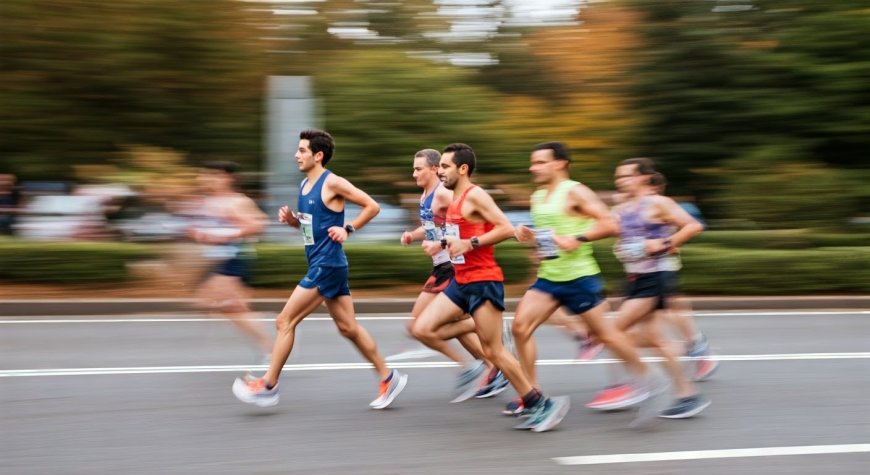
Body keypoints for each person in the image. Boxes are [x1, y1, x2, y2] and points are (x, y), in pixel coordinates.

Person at [232, 129, 407, 409]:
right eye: (298, 150)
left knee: (284, 321)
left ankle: (268, 385)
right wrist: (293, 221)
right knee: (348, 328)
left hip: (327, 264)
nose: (296, 155)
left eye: (302, 150)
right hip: (324, 263)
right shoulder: (304, 186)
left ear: (318, 155)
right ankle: (389, 376)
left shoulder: (333, 182)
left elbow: (371, 206)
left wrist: (348, 228)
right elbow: (311, 226)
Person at [411, 143, 569, 432]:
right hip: (461, 281)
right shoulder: (455, 200)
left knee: (494, 351)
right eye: (439, 166)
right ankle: (479, 328)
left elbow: (505, 227)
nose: (440, 171)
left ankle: (540, 403)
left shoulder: (475, 195)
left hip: (483, 280)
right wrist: (442, 243)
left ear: (463, 169)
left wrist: (469, 244)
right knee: (422, 328)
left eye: (445, 166)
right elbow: (460, 235)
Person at [510, 142, 667, 425]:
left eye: (540, 162)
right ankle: (532, 395)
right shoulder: (537, 197)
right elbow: (550, 237)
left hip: (580, 278)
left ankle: (649, 378)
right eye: (533, 163)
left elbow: (610, 224)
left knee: (606, 335)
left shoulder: (575, 191)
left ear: (559, 163)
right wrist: (530, 238)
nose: (533, 168)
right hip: (550, 276)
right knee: (519, 328)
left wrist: (578, 240)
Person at [603, 157, 711, 418]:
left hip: (656, 277)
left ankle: (641, 384)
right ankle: (688, 396)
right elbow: (625, 242)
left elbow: (693, 225)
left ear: (644, 177)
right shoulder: (623, 207)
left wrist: (664, 244)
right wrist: (622, 249)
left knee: (611, 332)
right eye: (618, 177)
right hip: (635, 278)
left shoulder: (657, 203)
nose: (621, 181)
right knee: (654, 339)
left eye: (627, 176)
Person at [397, 149, 509, 398]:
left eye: (418, 169)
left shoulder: (444, 194)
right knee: (441, 323)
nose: (414, 173)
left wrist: (450, 242)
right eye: (413, 168)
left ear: (434, 169)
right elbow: (432, 226)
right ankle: (490, 365)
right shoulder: (425, 195)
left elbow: (461, 220)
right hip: (440, 264)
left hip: (451, 264)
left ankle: (478, 353)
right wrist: (413, 235)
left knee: (419, 323)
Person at [188, 162, 272, 359]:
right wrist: (199, 233)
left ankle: (273, 347)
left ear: (228, 178)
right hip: (218, 259)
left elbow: (257, 225)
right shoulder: (209, 201)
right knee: (223, 305)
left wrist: (223, 235)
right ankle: (272, 338)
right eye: (205, 175)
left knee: (227, 306)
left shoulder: (237, 201)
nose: (207, 179)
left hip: (235, 257)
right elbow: (204, 227)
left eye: (214, 175)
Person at [648, 172, 718, 381]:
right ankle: (694, 347)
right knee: (669, 308)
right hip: (647, 267)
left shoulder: (663, 206)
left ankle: (695, 348)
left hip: (663, 263)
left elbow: (693, 226)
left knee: (665, 310)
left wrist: (667, 243)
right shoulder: (642, 205)